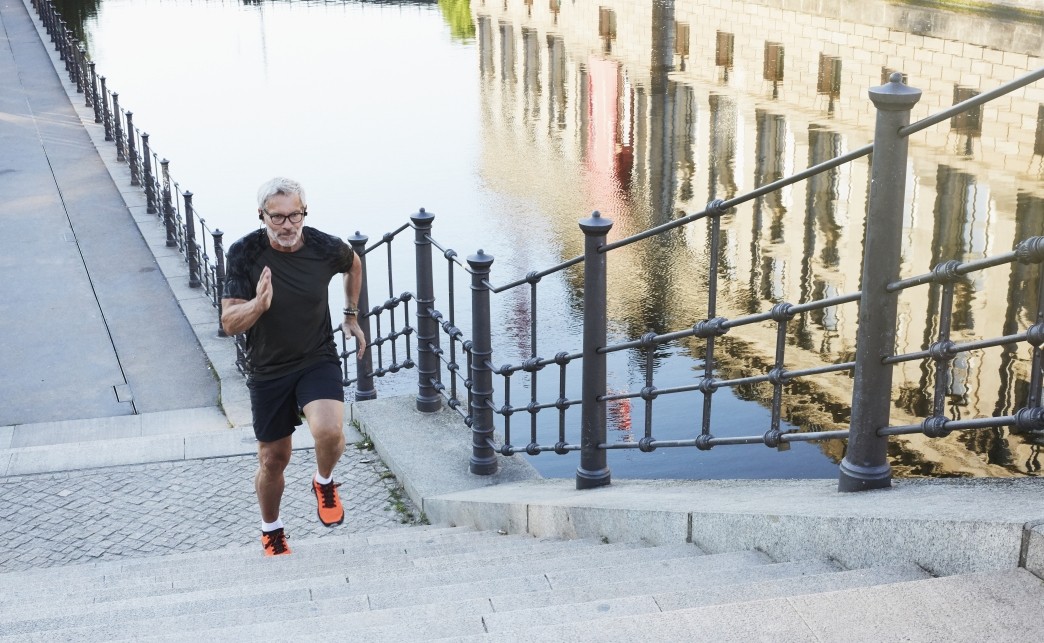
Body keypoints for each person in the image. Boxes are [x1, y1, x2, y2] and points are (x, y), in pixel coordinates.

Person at [221, 177, 367, 557]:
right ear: (262, 216)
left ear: (304, 212)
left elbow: (353, 263)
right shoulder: (244, 253)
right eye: (277, 217)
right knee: (274, 459)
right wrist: (258, 305)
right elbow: (229, 322)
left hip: (316, 356)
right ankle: (271, 528)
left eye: (295, 215)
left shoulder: (322, 246)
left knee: (330, 431)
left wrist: (350, 315)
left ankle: (324, 481)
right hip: (268, 368)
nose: (287, 225)